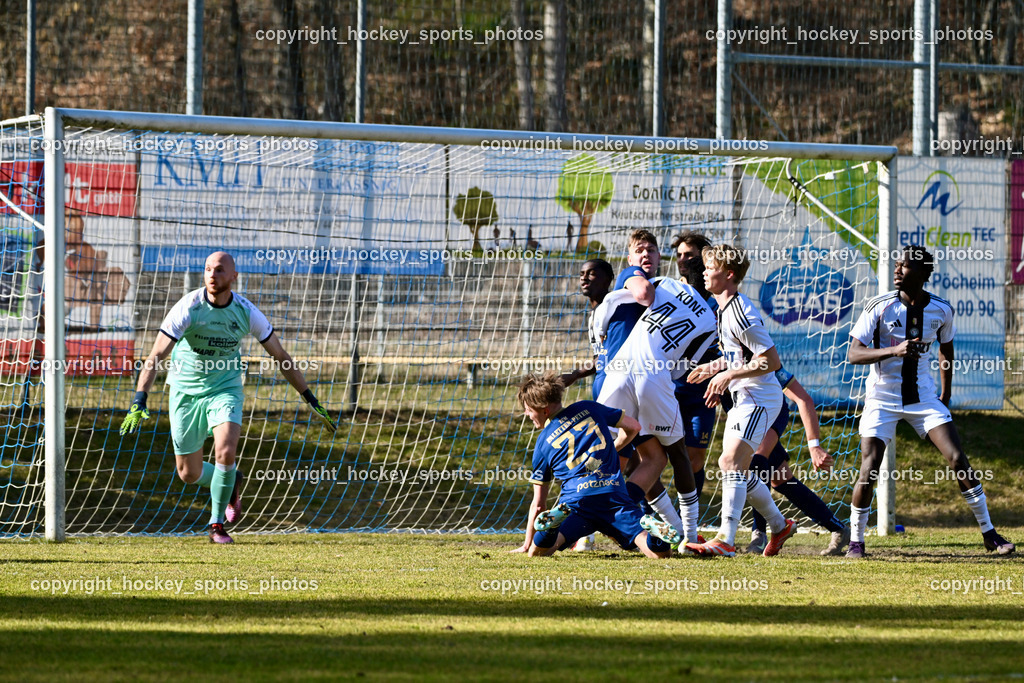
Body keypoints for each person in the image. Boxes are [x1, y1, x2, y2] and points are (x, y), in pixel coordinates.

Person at [119, 251, 337, 544]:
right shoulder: (189, 307)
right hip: (186, 392)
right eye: (208, 268)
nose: (212, 274)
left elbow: (281, 356)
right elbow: (156, 354)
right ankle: (231, 480)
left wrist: (311, 398)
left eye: (220, 270)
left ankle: (216, 525)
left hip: (226, 389)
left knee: (226, 451)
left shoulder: (246, 312)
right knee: (188, 474)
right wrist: (139, 398)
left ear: (234, 276)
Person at [845, 246, 1013, 558]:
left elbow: (946, 350)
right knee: (869, 466)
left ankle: (989, 533)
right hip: (882, 398)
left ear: (922, 273)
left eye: (904, 266)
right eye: (896, 265)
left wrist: (945, 394)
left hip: (923, 399)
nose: (897, 271)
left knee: (958, 459)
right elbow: (853, 353)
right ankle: (856, 543)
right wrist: (892, 351)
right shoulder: (879, 306)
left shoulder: (942, 310)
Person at [593, 230, 714, 549]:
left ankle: (592, 521)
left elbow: (608, 306)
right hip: (652, 375)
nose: (684, 260)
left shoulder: (667, 286)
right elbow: (693, 362)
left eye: (651, 250)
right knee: (674, 456)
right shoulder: (703, 312)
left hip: (617, 373)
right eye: (639, 250)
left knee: (623, 454)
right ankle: (687, 535)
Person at [684, 244, 797, 557]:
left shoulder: (741, 311)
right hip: (746, 397)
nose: (705, 272)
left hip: (760, 398)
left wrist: (729, 376)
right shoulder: (724, 308)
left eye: (711, 268)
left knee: (732, 462)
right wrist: (715, 367)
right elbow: (739, 355)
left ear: (729, 274)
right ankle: (779, 524)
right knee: (730, 464)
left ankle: (726, 538)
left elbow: (771, 360)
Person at [512, 372, 671, 559]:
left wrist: (526, 544)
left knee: (539, 552)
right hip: (613, 495)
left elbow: (538, 505)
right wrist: (613, 448)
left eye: (528, 410)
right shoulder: (588, 408)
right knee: (659, 554)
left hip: (577, 503)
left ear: (544, 410)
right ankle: (654, 535)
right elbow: (634, 427)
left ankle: (550, 530)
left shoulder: (542, 443)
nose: (527, 415)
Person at [741, 369, 849, 556]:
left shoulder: (763, 357)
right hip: (744, 418)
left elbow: (803, 399)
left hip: (769, 414)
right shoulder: (718, 358)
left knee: (758, 460)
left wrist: (814, 446)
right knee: (782, 479)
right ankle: (838, 528)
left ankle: (759, 534)